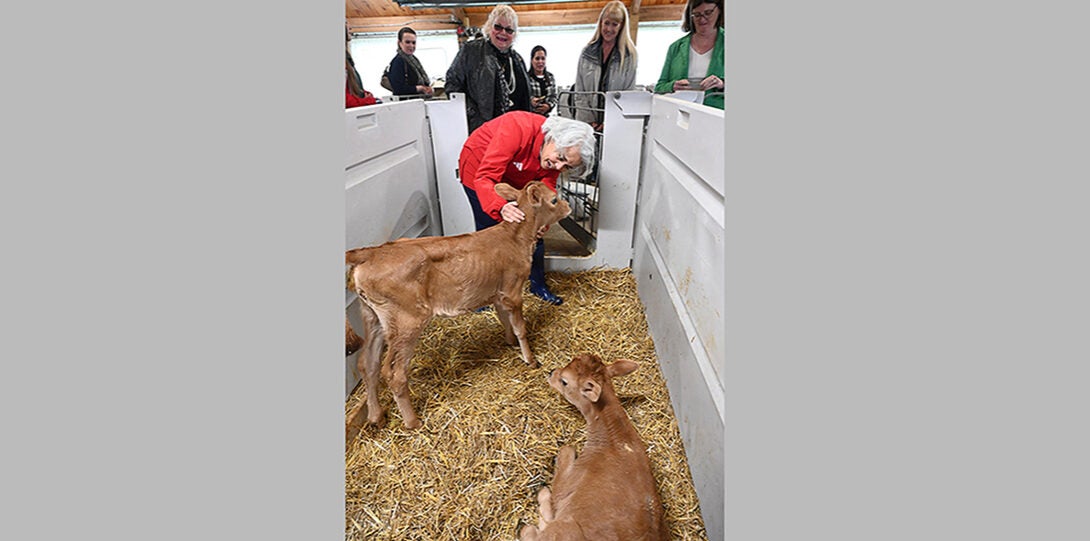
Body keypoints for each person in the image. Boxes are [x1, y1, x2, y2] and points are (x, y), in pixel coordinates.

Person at [459, 111, 596, 305]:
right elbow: (486, 177)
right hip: (480, 171)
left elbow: (547, 188)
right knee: (489, 233)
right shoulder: (516, 128)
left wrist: (542, 223)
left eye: (566, 166)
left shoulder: (552, 160)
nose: (558, 167)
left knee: (533, 231)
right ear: (554, 138)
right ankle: (485, 294)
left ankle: (538, 285)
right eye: (560, 157)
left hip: (518, 172)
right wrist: (501, 208)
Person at [445, 4, 532, 133]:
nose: (503, 33)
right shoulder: (470, 51)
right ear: (489, 27)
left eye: (509, 30)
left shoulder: (517, 59)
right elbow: (452, 85)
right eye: (498, 27)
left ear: (514, 34)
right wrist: (473, 115)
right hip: (482, 129)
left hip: (512, 131)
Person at [572, 0, 638, 130]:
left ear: (621, 26)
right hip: (586, 123)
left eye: (615, 24)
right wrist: (588, 120)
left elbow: (628, 94)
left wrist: (610, 122)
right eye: (606, 23)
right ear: (601, 22)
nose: (609, 29)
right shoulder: (587, 52)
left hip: (615, 124)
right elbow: (580, 91)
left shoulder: (630, 55)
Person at [653, 0, 725, 110]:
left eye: (708, 13)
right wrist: (673, 86)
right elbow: (659, 88)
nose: (702, 19)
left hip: (718, 116)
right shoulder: (675, 47)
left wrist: (722, 84)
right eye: (697, 14)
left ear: (719, 10)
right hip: (680, 114)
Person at [386, 27, 433, 98]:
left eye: (413, 42)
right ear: (399, 43)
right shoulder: (398, 62)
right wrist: (420, 88)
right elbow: (398, 89)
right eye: (407, 42)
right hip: (407, 104)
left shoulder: (414, 60)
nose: (411, 45)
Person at [346, 28, 377, 108]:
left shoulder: (347, 57)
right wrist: (367, 101)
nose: (349, 28)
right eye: (346, 23)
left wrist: (364, 93)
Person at [527, 45, 557, 116]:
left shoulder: (550, 77)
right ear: (532, 60)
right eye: (537, 59)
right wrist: (531, 101)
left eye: (543, 58)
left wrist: (548, 106)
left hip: (546, 116)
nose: (540, 62)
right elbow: (523, 96)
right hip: (530, 116)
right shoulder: (526, 77)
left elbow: (554, 96)